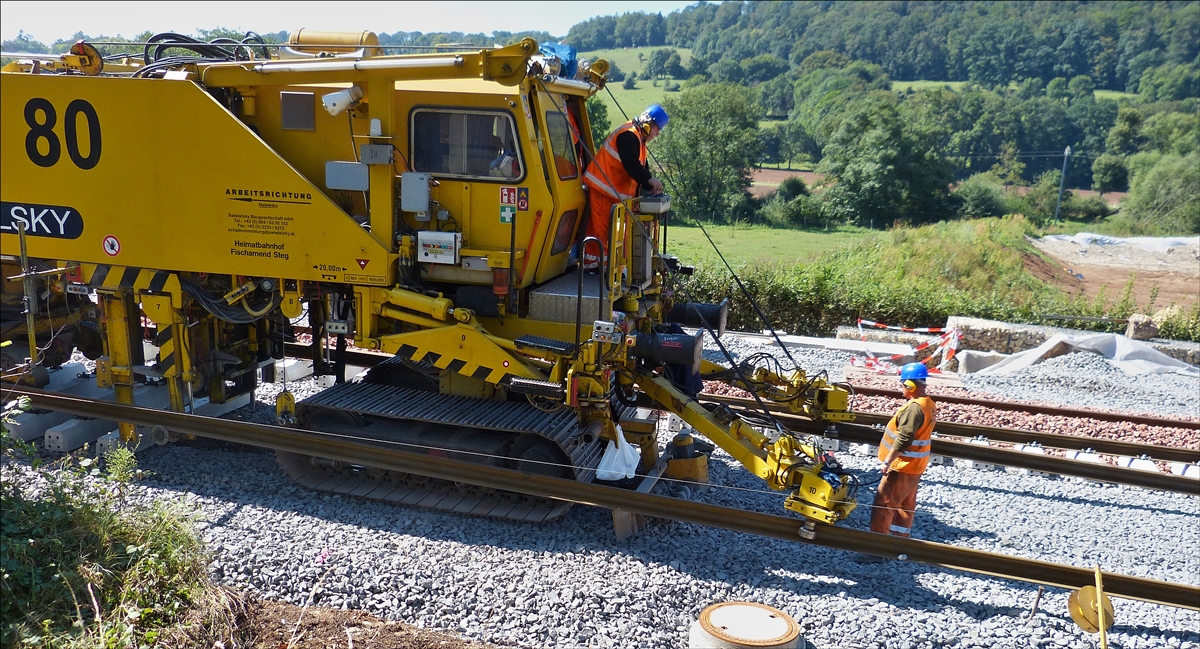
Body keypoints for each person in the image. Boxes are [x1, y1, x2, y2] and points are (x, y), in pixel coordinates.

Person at [581, 104, 668, 270]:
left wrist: (648, 184)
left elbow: (641, 167)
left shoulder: (638, 139)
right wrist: (649, 180)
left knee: (601, 232)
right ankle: (601, 269)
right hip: (602, 189)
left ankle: (596, 266)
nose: (656, 135)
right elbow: (631, 164)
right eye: (657, 130)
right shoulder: (628, 134)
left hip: (609, 191)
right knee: (602, 232)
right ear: (649, 124)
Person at [869, 362, 936, 539]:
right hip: (915, 466)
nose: (901, 389)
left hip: (901, 466)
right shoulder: (928, 404)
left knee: (884, 505)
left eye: (903, 384)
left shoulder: (914, 408)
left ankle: (877, 545)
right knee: (904, 506)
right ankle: (898, 542)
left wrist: (887, 462)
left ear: (910, 385)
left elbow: (904, 439)